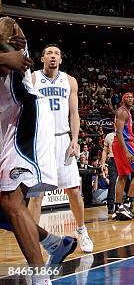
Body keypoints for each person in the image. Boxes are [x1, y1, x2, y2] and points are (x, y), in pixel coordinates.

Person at [0, 19, 76, 283]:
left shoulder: (6, 25)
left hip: (21, 119)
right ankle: (54, 242)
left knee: (10, 200)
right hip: (3, 123)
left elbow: (9, 64)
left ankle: (40, 277)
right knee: (2, 206)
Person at [28, 45, 93, 253]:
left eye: (56, 53)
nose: (53, 56)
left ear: (61, 60)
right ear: (42, 58)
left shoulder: (70, 80)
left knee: (73, 190)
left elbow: (74, 114)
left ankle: (82, 231)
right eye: (49, 53)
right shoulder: (33, 78)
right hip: (41, 141)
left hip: (63, 139)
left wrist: (75, 139)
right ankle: (32, 239)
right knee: (37, 195)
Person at [111, 93, 134, 220]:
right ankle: (128, 204)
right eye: (127, 97)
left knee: (123, 176)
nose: (130, 98)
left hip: (122, 143)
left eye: (132, 97)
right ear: (123, 99)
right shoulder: (122, 112)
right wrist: (126, 151)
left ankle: (117, 208)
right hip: (122, 144)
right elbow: (119, 133)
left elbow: (125, 134)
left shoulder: (126, 112)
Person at [100, 129, 117, 215]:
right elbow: (104, 151)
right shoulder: (109, 136)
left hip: (124, 160)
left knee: (126, 182)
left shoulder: (126, 134)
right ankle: (110, 206)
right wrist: (103, 163)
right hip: (113, 160)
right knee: (112, 183)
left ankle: (124, 204)